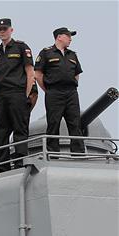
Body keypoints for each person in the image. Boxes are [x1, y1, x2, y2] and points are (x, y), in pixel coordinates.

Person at [0, 18, 35, 172]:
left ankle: (20, 161)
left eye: (5, 29)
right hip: (0, 95)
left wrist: (26, 95)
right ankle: (2, 165)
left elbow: (30, 73)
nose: (2, 32)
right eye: (0, 29)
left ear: (11, 30)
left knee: (19, 128)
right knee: (1, 130)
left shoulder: (21, 47)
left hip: (17, 93)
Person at [35, 27, 84, 155]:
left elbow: (76, 74)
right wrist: (47, 89)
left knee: (75, 123)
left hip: (71, 92)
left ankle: (78, 153)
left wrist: (72, 85)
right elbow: (38, 74)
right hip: (54, 92)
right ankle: (53, 153)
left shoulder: (72, 54)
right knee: (53, 123)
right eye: (68, 36)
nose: (70, 39)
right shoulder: (46, 53)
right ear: (59, 37)